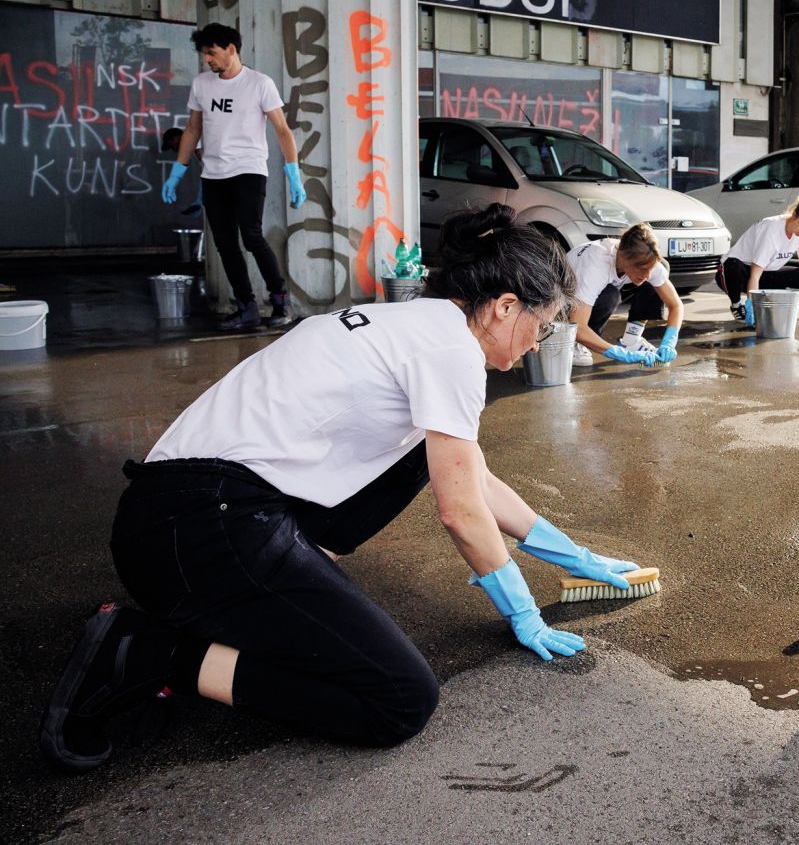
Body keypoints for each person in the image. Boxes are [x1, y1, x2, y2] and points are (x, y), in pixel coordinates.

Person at [40, 206, 644, 771]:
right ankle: (151, 653)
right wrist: (522, 611)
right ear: (504, 307)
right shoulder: (451, 351)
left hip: (175, 522)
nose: (536, 344)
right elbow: (460, 510)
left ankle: (287, 586)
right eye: (539, 327)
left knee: (420, 457)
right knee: (399, 699)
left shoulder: (408, 322)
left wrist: (571, 554)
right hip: (203, 532)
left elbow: (472, 477)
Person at [164, 24, 308, 331]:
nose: (207, 60)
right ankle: (246, 307)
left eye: (211, 53)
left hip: (248, 170)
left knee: (252, 236)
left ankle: (280, 300)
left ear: (231, 48)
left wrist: (293, 172)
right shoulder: (202, 84)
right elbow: (192, 129)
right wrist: (177, 171)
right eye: (204, 54)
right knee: (225, 244)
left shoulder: (259, 83)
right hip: (214, 174)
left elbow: (282, 129)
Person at [567, 223, 684, 367]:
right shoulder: (595, 265)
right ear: (622, 256)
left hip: (596, 290)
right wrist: (620, 354)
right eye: (641, 268)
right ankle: (571, 344)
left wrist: (669, 342)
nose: (646, 275)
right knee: (610, 296)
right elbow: (577, 327)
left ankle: (631, 340)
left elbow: (676, 305)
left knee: (658, 277)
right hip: (561, 304)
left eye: (650, 268)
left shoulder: (642, 260)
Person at [718, 192, 799, 325]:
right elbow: (755, 273)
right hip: (740, 273)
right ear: (794, 215)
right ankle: (736, 305)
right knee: (732, 266)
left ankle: (771, 302)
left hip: (766, 273)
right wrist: (752, 305)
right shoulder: (772, 230)